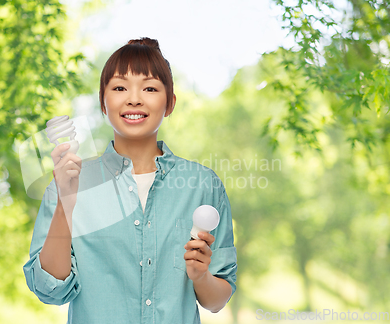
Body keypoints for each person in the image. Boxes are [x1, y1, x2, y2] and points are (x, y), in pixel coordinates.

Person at [23, 37, 237, 324]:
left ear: (170, 103)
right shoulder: (70, 182)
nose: (134, 98)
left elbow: (217, 300)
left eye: (149, 88)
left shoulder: (202, 185)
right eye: (120, 87)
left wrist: (201, 276)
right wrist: (66, 201)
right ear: (103, 102)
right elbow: (50, 290)